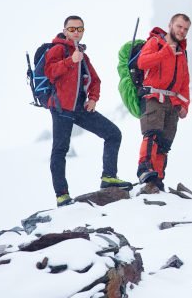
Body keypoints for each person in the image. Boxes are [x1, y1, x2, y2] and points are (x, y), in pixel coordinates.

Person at [45, 16, 132, 207]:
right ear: (65, 30)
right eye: (72, 29)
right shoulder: (57, 49)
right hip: (61, 108)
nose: (76, 32)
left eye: (80, 29)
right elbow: (49, 72)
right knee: (60, 150)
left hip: (80, 108)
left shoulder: (83, 55)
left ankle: (109, 177)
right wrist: (69, 61)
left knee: (113, 134)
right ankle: (62, 195)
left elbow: (95, 80)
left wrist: (93, 98)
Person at [136, 13, 191, 193]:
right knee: (152, 133)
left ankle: (158, 178)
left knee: (165, 142)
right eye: (179, 26)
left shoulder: (182, 52)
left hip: (172, 101)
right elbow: (142, 62)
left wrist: (185, 104)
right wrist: (165, 52)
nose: (182, 31)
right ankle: (145, 170)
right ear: (170, 25)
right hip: (153, 96)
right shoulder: (155, 42)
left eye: (185, 29)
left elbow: (184, 80)